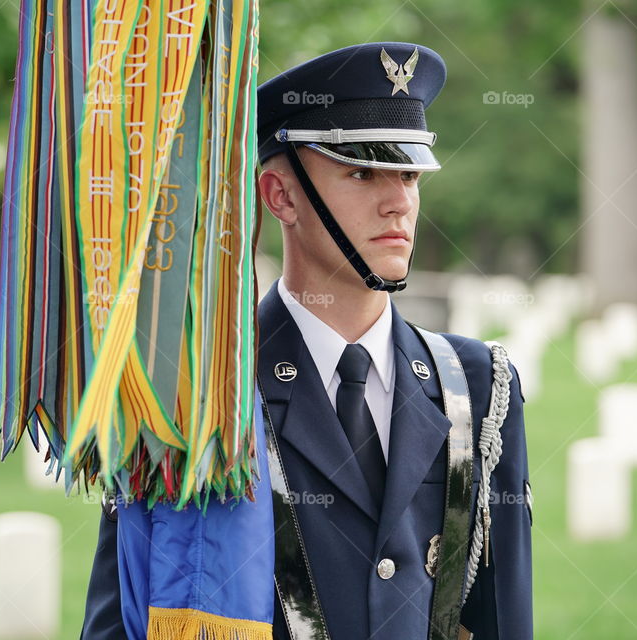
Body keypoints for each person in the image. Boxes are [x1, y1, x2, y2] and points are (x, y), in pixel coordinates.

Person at [80, 41, 533, 640]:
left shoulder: (476, 386)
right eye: (362, 171)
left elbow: (502, 619)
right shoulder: (198, 394)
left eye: (408, 173)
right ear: (281, 196)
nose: (399, 200)